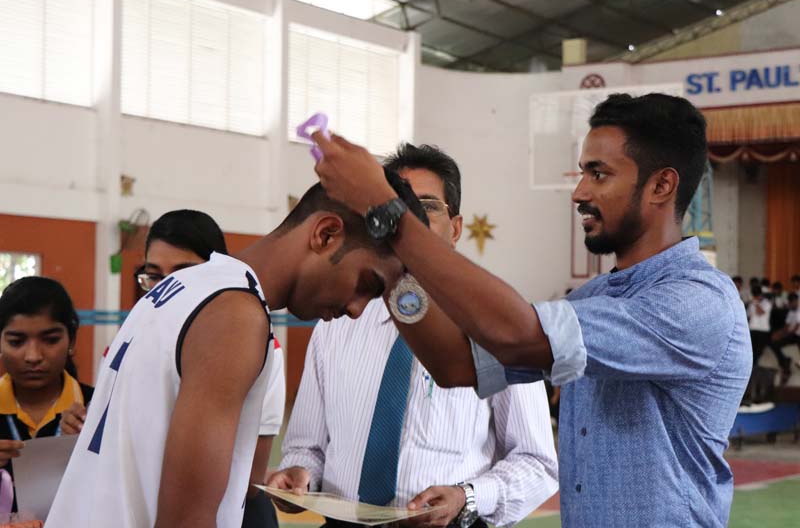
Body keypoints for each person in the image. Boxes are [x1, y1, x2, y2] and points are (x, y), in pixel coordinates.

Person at [310, 92, 751, 527]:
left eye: (598, 174)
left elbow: (517, 336)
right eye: (583, 173)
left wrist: (389, 214)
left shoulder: (698, 302)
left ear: (661, 186)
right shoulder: (591, 301)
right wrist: (395, 272)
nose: (579, 192)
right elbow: (456, 363)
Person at [47, 182, 418, 528]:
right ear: (325, 235)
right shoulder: (235, 314)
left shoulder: (183, 286)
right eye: (367, 284)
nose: (357, 309)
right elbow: (186, 521)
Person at [268, 145, 558, 528]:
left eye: (427, 206)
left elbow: (537, 463)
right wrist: (299, 473)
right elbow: (307, 447)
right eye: (394, 208)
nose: (410, 220)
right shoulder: (336, 324)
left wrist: (467, 496)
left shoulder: (497, 328)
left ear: (456, 228)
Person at [58, 209, 287, 528]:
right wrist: (84, 426)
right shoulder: (128, 341)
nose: (166, 288)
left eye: (184, 274)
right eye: (154, 276)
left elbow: (249, 479)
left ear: (218, 274)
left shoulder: (256, 348)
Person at [0, 277, 94, 510]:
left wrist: (95, 447)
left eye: (51, 340)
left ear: (71, 340)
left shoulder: (97, 409)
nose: (33, 356)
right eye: (16, 342)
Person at [748, 285, 772, 366]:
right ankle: (752, 366)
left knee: (758, 351)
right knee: (751, 350)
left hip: (763, 331)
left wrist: (755, 303)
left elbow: (760, 312)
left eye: (757, 295)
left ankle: (754, 366)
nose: (756, 297)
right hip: (752, 329)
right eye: (755, 295)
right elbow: (749, 315)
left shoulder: (767, 303)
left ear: (761, 294)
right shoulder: (752, 303)